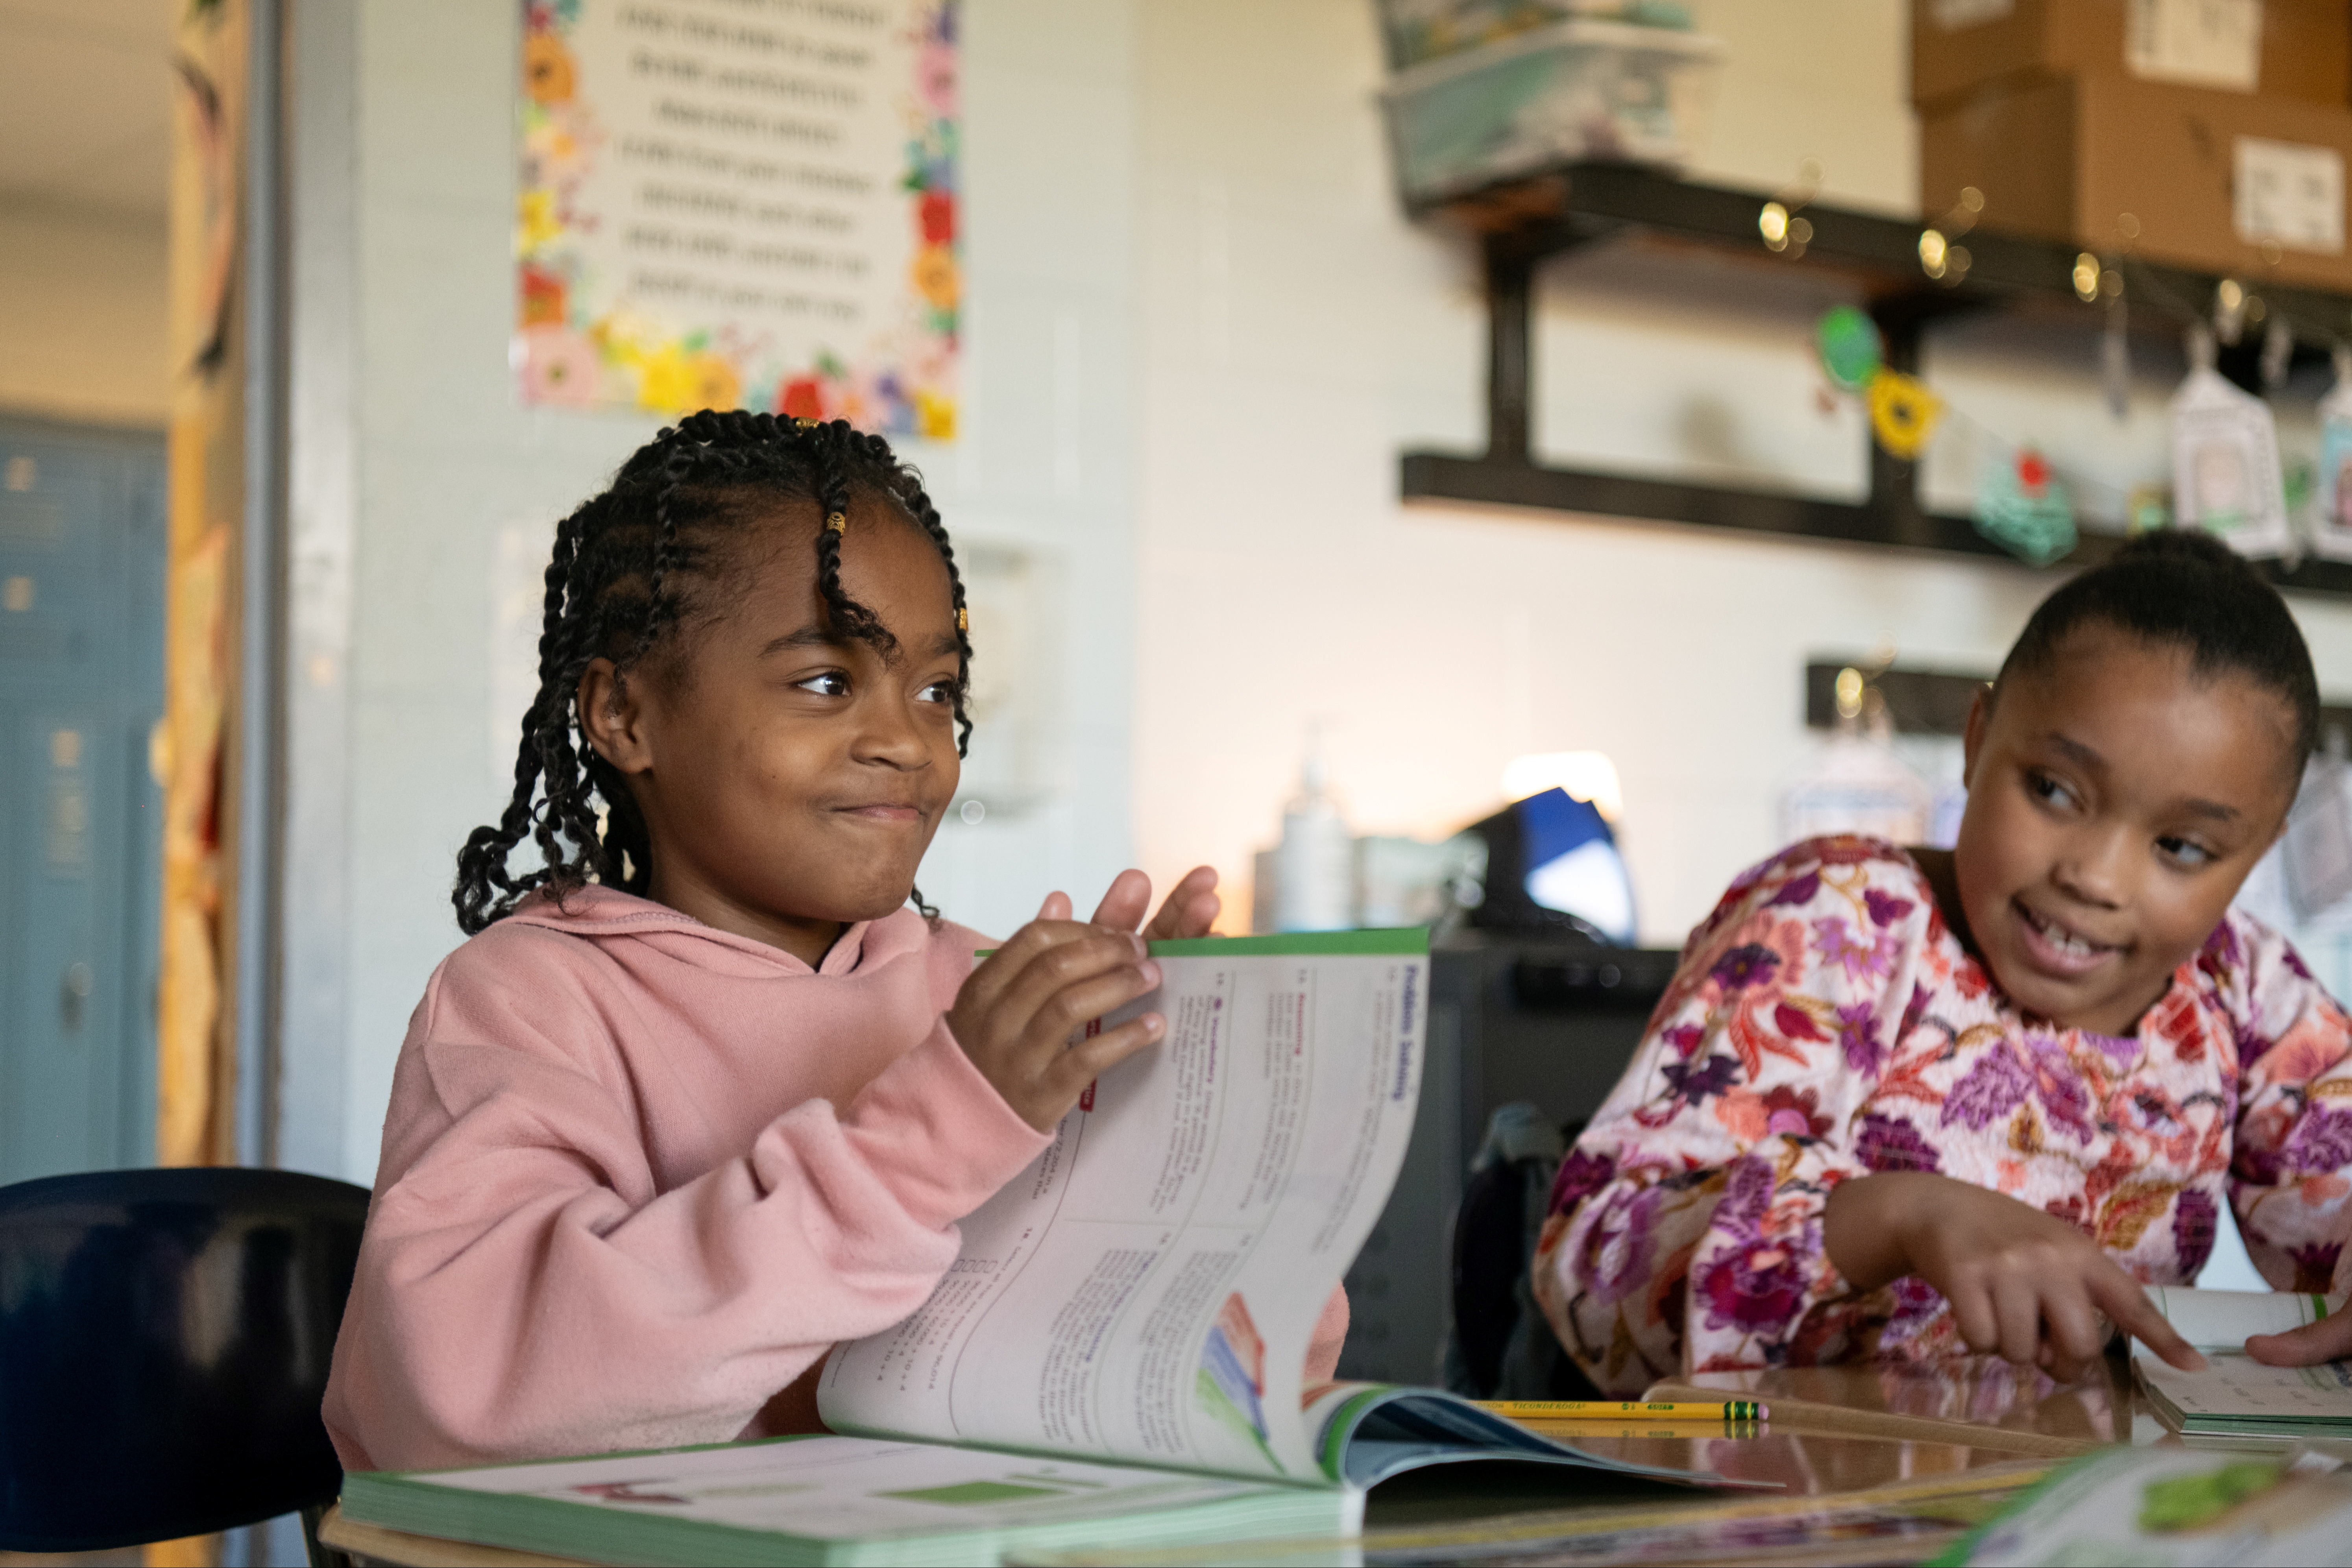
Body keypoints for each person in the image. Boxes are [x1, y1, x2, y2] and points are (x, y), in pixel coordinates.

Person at [322, 410, 1345, 1470]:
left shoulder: (984, 999)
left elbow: (1242, 1373)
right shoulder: (527, 1002)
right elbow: (464, 1391)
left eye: (938, 690)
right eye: (825, 681)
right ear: (625, 712)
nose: (908, 741)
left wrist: (1193, 1127)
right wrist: (935, 1134)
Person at [1534, 530, 2352, 1394]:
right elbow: (1591, 1284)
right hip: (1786, 1506)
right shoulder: (1840, 918)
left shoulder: (2243, 987)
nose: (2094, 876)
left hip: (2077, 1514)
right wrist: (1891, 1216)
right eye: (2052, 789)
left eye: (2182, 846)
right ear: (1978, 735)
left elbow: (2334, 1212)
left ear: (2256, 855)